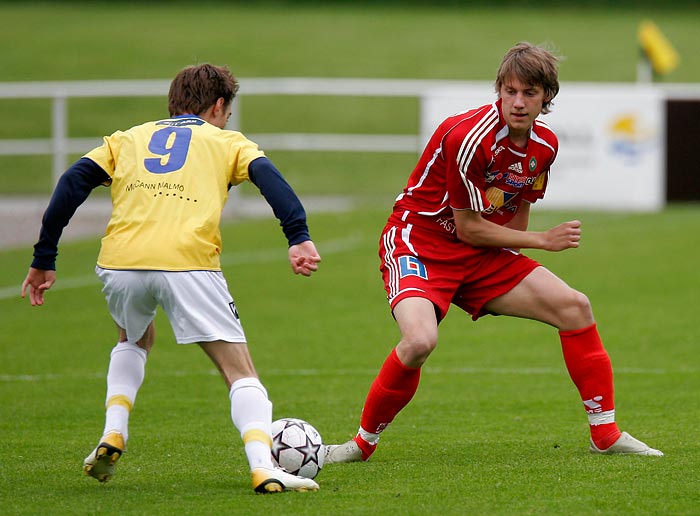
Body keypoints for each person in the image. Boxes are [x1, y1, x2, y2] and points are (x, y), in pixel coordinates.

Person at [324, 42, 663, 464]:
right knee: (419, 341)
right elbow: (467, 227)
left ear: (547, 98)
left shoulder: (545, 146)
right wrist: (544, 241)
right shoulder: (467, 137)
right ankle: (361, 444)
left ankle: (606, 434)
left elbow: (516, 208)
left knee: (575, 307)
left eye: (529, 93)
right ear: (498, 91)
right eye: (510, 91)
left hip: (478, 252)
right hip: (421, 242)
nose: (518, 103)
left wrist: (514, 259)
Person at [21, 64, 323, 493]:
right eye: (227, 111)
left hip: (121, 261)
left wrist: (44, 256)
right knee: (240, 370)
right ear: (218, 106)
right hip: (188, 262)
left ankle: (113, 431)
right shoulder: (226, 141)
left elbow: (73, 181)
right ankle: (263, 465)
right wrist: (298, 237)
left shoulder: (128, 138)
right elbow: (269, 178)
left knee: (132, 339)